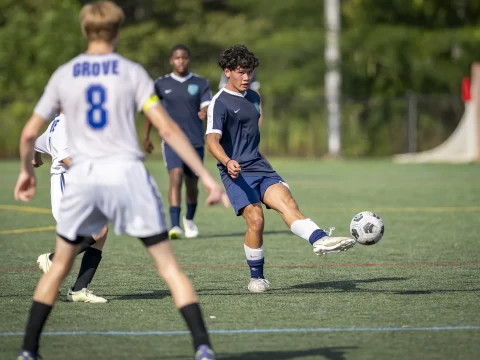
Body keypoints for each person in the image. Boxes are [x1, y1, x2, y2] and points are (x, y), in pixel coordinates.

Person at [14, 2, 228, 359]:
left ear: (85, 31)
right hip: (127, 175)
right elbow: (167, 128)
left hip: (84, 179)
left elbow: (27, 135)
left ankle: (27, 350)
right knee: (168, 266)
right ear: (116, 32)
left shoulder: (65, 74)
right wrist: (206, 176)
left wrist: (25, 171)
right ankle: (203, 347)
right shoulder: (131, 72)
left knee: (58, 267)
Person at [206, 45, 356, 294]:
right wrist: (227, 160)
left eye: (250, 73)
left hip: (260, 166)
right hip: (235, 170)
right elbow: (212, 141)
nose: (246, 78)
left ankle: (319, 239)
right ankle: (257, 277)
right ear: (227, 71)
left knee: (287, 203)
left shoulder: (254, 98)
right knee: (256, 221)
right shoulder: (218, 103)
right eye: (241, 72)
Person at [33, 113, 108, 303]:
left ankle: (79, 289)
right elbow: (66, 158)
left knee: (101, 234)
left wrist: (37, 158)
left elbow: (36, 142)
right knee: (99, 231)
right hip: (67, 189)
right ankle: (52, 259)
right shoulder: (64, 124)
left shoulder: (60, 121)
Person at [143, 44, 212, 240]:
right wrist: (146, 136)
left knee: (192, 185)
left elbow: (207, 105)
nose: (181, 61)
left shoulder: (200, 83)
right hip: (171, 142)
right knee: (176, 176)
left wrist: (205, 112)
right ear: (171, 61)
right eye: (177, 58)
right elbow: (151, 110)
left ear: (188, 60)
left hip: (195, 142)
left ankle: (189, 220)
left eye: (184, 58)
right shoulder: (161, 84)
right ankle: (174, 226)